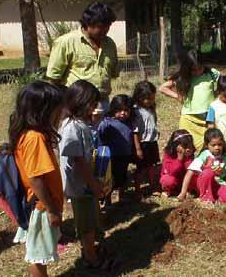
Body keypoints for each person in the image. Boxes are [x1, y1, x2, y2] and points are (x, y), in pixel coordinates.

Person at [9, 81, 64, 277]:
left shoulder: (32, 135)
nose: (60, 113)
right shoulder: (35, 138)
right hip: (42, 205)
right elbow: (36, 179)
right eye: (57, 109)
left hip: (41, 204)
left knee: (40, 253)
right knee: (38, 256)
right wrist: (52, 209)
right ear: (44, 111)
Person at [58, 80, 107, 268]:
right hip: (80, 184)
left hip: (85, 181)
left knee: (90, 216)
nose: (94, 108)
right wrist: (93, 182)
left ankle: (90, 248)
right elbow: (77, 160)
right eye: (92, 104)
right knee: (85, 223)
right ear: (80, 102)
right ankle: (90, 257)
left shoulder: (78, 123)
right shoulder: (71, 127)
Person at [46, 2, 119, 116]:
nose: (105, 30)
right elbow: (54, 79)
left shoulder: (110, 44)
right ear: (88, 23)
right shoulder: (66, 42)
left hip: (103, 105)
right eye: (100, 26)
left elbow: (113, 73)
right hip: (76, 106)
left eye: (108, 26)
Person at [159, 50, 220, 151]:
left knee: (209, 147)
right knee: (186, 148)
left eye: (199, 68)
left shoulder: (212, 74)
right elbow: (162, 88)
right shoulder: (185, 77)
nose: (197, 72)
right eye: (193, 70)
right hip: (189, 119)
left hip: (208, 120)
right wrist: (177, 96)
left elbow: (223, 85)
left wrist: (216, 96)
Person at [178, 128, 226, 205]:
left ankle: (214, 197)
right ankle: (205, 198)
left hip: (218, 183)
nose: (217, 147)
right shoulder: (204, 155)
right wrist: (183, 192)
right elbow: (190, 172)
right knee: (209, 172)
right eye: (213, 145)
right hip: (203, 183)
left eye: (219, 144)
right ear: (207, 145)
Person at [98, 94, 133, 201]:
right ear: (113, 109)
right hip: (111, 156)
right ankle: (107, 198)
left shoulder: (129, 123)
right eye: (119, 110)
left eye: (126, 110)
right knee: (109, 178)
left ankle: (121, 197)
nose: (123, 113)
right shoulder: (107, 122)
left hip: (124, 155)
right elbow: (100, 136)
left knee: (122, 177)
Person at [132, 81, 160, 196]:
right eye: (148, 99)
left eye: (153, 99)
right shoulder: (137, 111)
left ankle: (153, 186)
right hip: (143, 143)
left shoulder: (151, 108)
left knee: (152, 165)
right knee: (141, 168)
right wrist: (138, 148)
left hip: (152, 141)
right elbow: (135, 131)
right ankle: (137, 189)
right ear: (139, 97)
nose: (151, 101)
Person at [160, 130, 195, 196]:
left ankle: (188, 190)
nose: (187, 149)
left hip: (183, 181)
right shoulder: (168, 155)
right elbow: (171, 172)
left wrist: (188, 158)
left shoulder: (189, 154)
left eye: (189, 146)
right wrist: (179, 159)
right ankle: (168, 190)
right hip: (173, 179)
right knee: (167, 179)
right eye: (184, 146)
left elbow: (190, 170)